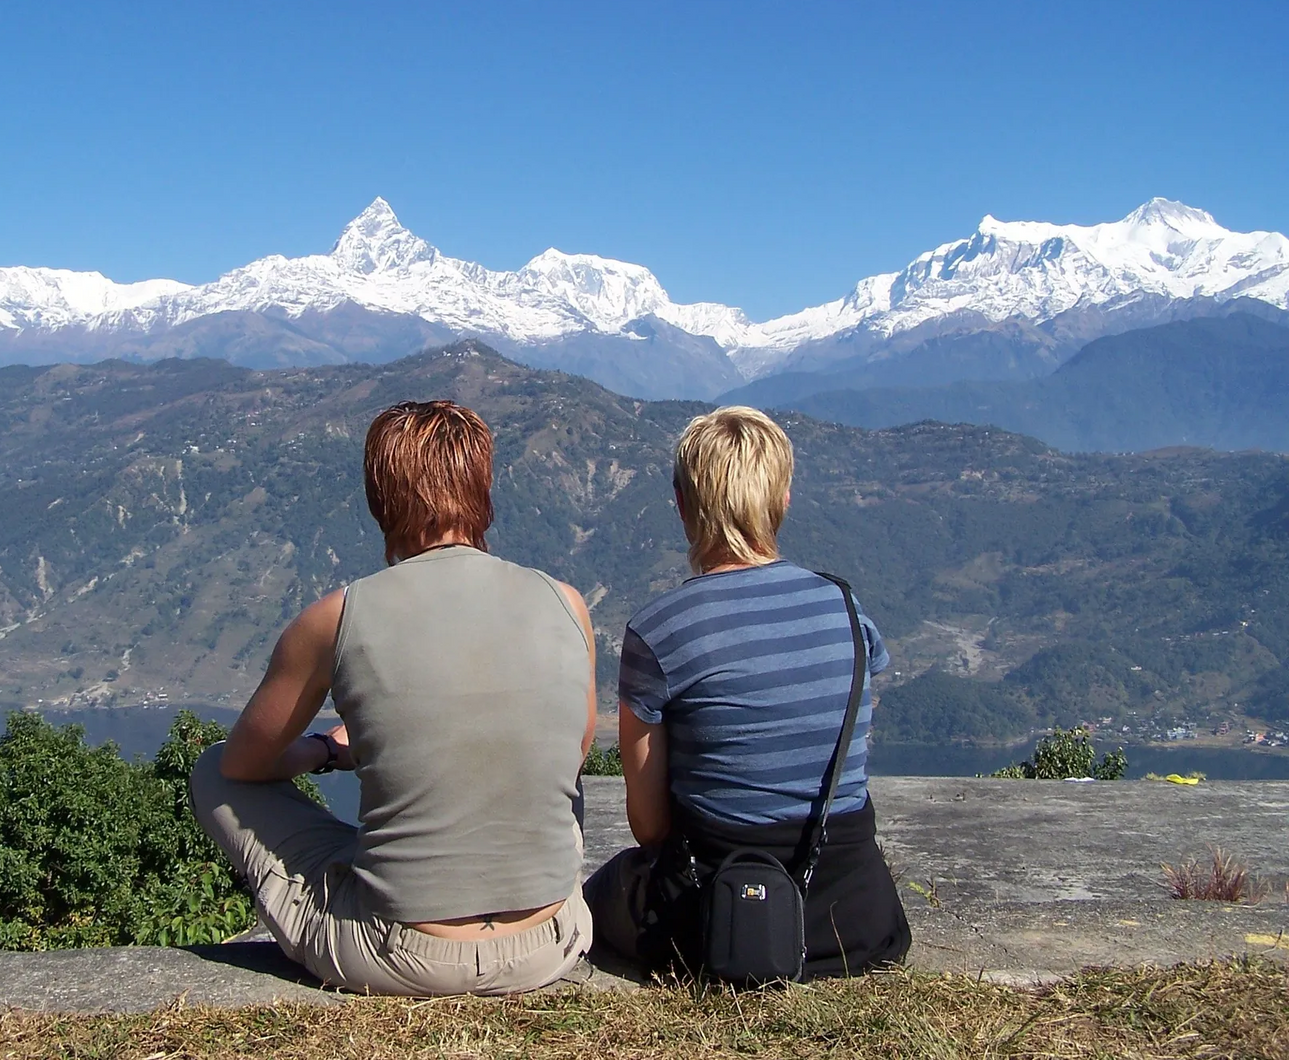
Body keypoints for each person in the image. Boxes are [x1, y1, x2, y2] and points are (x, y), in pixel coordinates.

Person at [190, 400, 598, 995]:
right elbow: (577, 753)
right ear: (483, 489)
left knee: (211, 771)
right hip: (552, 942)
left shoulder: (336, 617)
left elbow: (243, 766)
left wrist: (329, 752)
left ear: (379, 498)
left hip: (398, 955)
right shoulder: (567, 602)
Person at [583, 405, 910, 979]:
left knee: (600, 894)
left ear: (682, 506)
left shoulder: (659, 631)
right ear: (784, 500)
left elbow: (651, 827)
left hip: (714, 915)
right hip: (850, 919)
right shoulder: (846, 607)